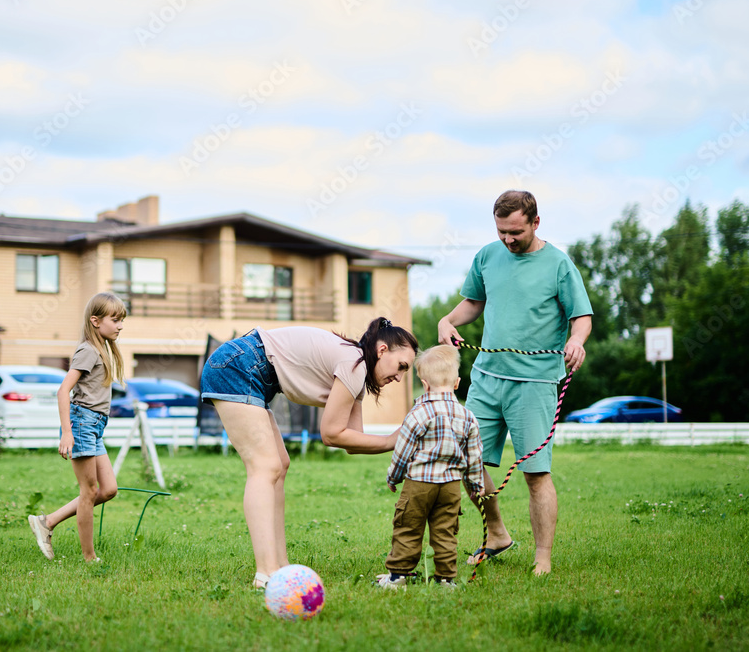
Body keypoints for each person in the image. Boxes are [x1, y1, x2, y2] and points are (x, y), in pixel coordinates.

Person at [437, 190, 592, 575]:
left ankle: (543, 558)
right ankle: (497, 532)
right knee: (465, 459)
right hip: (487, 379)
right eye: (502, 231)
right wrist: (447, 321)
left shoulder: (558, 264)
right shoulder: (488, 256)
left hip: (534, 383)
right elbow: (474, 302)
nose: (508, 240)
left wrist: (576, 341)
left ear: (535, 223)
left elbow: (582, 316)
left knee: (536, 474)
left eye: (516, 232)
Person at [200, 317, 419, 589]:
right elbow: (331, 433)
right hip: (238, 365)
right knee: (265, 467)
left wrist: (399, 440)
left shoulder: (355, 371)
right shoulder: (354, 363)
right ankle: (266, 573)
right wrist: (391, 440)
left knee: (279, 464)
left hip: (249, 368)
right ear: (383, 350)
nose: (399, 377)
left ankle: (280, 566)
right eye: (401, 367)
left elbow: (351, 441)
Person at [28, 291, 127, 562]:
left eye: (121, 321)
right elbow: (63, 391)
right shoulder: (88, 350)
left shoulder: (100, 349)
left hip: (93, 426)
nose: (119, 325)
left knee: (108, 490)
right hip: (82, 423)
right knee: (89, 491)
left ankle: (47, 523)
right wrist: (68, 432)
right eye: (115, 319)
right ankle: (89, 557)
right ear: (95, 321)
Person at [377, 345, 484, 589]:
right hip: (450, 487)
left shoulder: (418, 414)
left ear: (424, 384)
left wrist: (393, 477)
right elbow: (475, 455)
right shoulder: (467, 416)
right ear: (457, 383)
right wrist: (475, 484)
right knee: (445, 531)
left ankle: (398, 577)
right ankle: (445, 578)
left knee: (408, 527)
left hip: (419, 484)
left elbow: (403, 451)